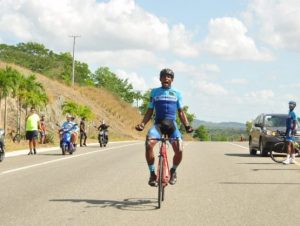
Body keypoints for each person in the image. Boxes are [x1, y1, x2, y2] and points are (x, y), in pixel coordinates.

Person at [135, 68, 193, 187]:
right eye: (164, 76)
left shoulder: (177, 93)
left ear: (172, 79)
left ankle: (173, 171)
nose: (166, 78)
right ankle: (152, 174)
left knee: (180, 149)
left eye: (169, 76)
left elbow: (181, 112)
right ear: (160, 78)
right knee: (148, 144)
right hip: (158, 125)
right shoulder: (155, 92)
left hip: (172, 126)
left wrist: (187, 125)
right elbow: (150, 110)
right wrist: (142, 124)